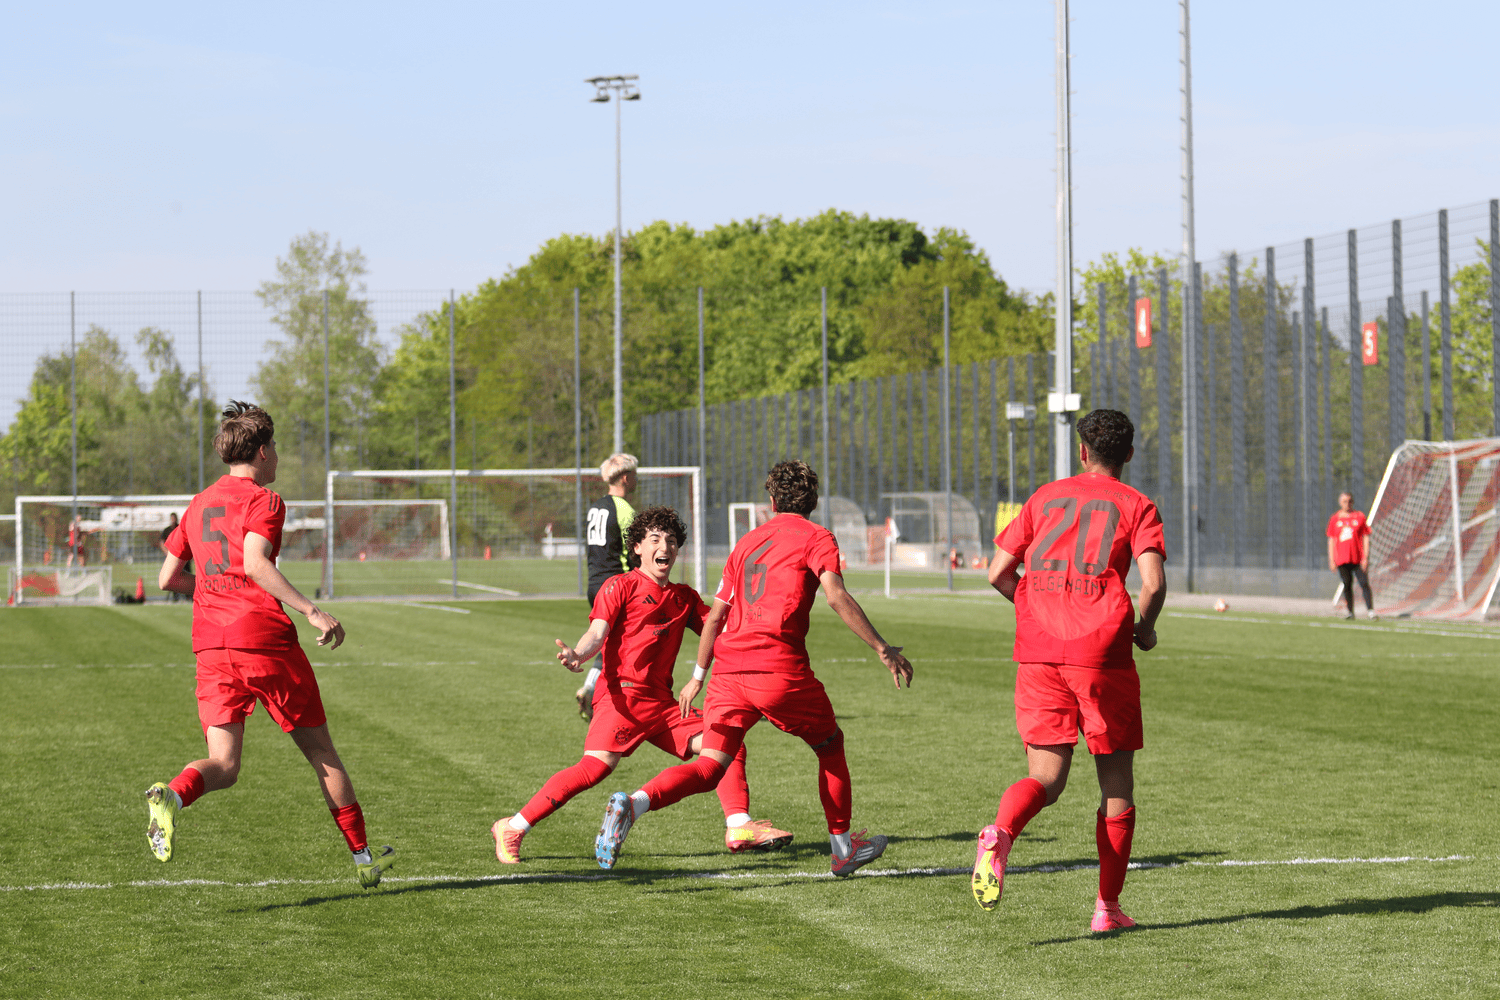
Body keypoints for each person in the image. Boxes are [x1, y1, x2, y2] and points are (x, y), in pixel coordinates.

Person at [593, 461, 914, 876]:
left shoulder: (746, 542)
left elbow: (714, 618)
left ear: (771, 501)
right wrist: (882, 647)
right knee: (830, 746)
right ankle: (842, 848)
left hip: (727, 674)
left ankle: (633, 804)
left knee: (711, 766)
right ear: (813, 501)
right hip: (780, 671)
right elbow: (835, 596)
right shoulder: (817, 537)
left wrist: (698, 676)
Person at [147, 400, 394, 889]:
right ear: (261, 452)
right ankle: (366, 862)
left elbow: (166, 577)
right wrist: (311, 609)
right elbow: (258, 563)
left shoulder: (198, 503)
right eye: (275, 447)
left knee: (225, 764)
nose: (277, 455)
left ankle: (172, 796)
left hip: (211, 646)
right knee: (322, 753)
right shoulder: (264, 500)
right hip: (263, 640)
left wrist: (212, 590)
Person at [492, 506, 791, 863]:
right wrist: (579, 656)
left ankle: (739, 826)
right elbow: (597, 633)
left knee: (727, 745)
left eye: (671, 540)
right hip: (622, 699)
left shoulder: (684, 597)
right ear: (637, 547)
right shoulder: (619, 586)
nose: (665, 546)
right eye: (655, 539)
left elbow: (721, 632)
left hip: (664, 706)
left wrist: (765, 626)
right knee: (595, 769)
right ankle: (513, 826)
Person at [976, 409, 1166, 932]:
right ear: (1128, 454)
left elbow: (997, 572)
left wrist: (1034, 612)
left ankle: (1001, 833)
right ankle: (1107, 909)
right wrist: (1144, 631)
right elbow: (1152, 584)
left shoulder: (1044, 497)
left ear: (1082, 452)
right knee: (1116, 785)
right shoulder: (1137, 504)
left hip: (1037, 652)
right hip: (1102, 654)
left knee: (1046, 777)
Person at [576, 453, 639, 720]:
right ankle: (608, 698)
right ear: (626, 477)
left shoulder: (595, 507)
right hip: (616, 585)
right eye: (635, 474)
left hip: (594, 582)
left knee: (609, 641)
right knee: (625, 644)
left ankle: (590, 688)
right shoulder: (624, 509)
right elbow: (637, 551)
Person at [1327, 492, 1375, 620]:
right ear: (1340, 502)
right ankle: (1350, 612)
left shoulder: (1359, 517)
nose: (1347, 504)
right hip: (1342, 559)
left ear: (1352, 502)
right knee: (1347, 584)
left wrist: (1365, 557)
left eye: (1349, 501)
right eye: (1344, 501)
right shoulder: (1335, 518)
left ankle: (1370, 611)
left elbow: (1365, 537)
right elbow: (1331, 540)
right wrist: (1332, 560)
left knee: (1364, 583)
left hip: (1357, 559)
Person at [158, 512, 192, 603]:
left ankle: (189, 597)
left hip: (184, 557)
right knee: (172, 577)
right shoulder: (167, 530)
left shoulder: (180, 527)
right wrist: (169, 553)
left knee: (187, 573)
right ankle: (175, 597)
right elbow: (161, 542)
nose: (174, 520)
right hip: (174, 556)